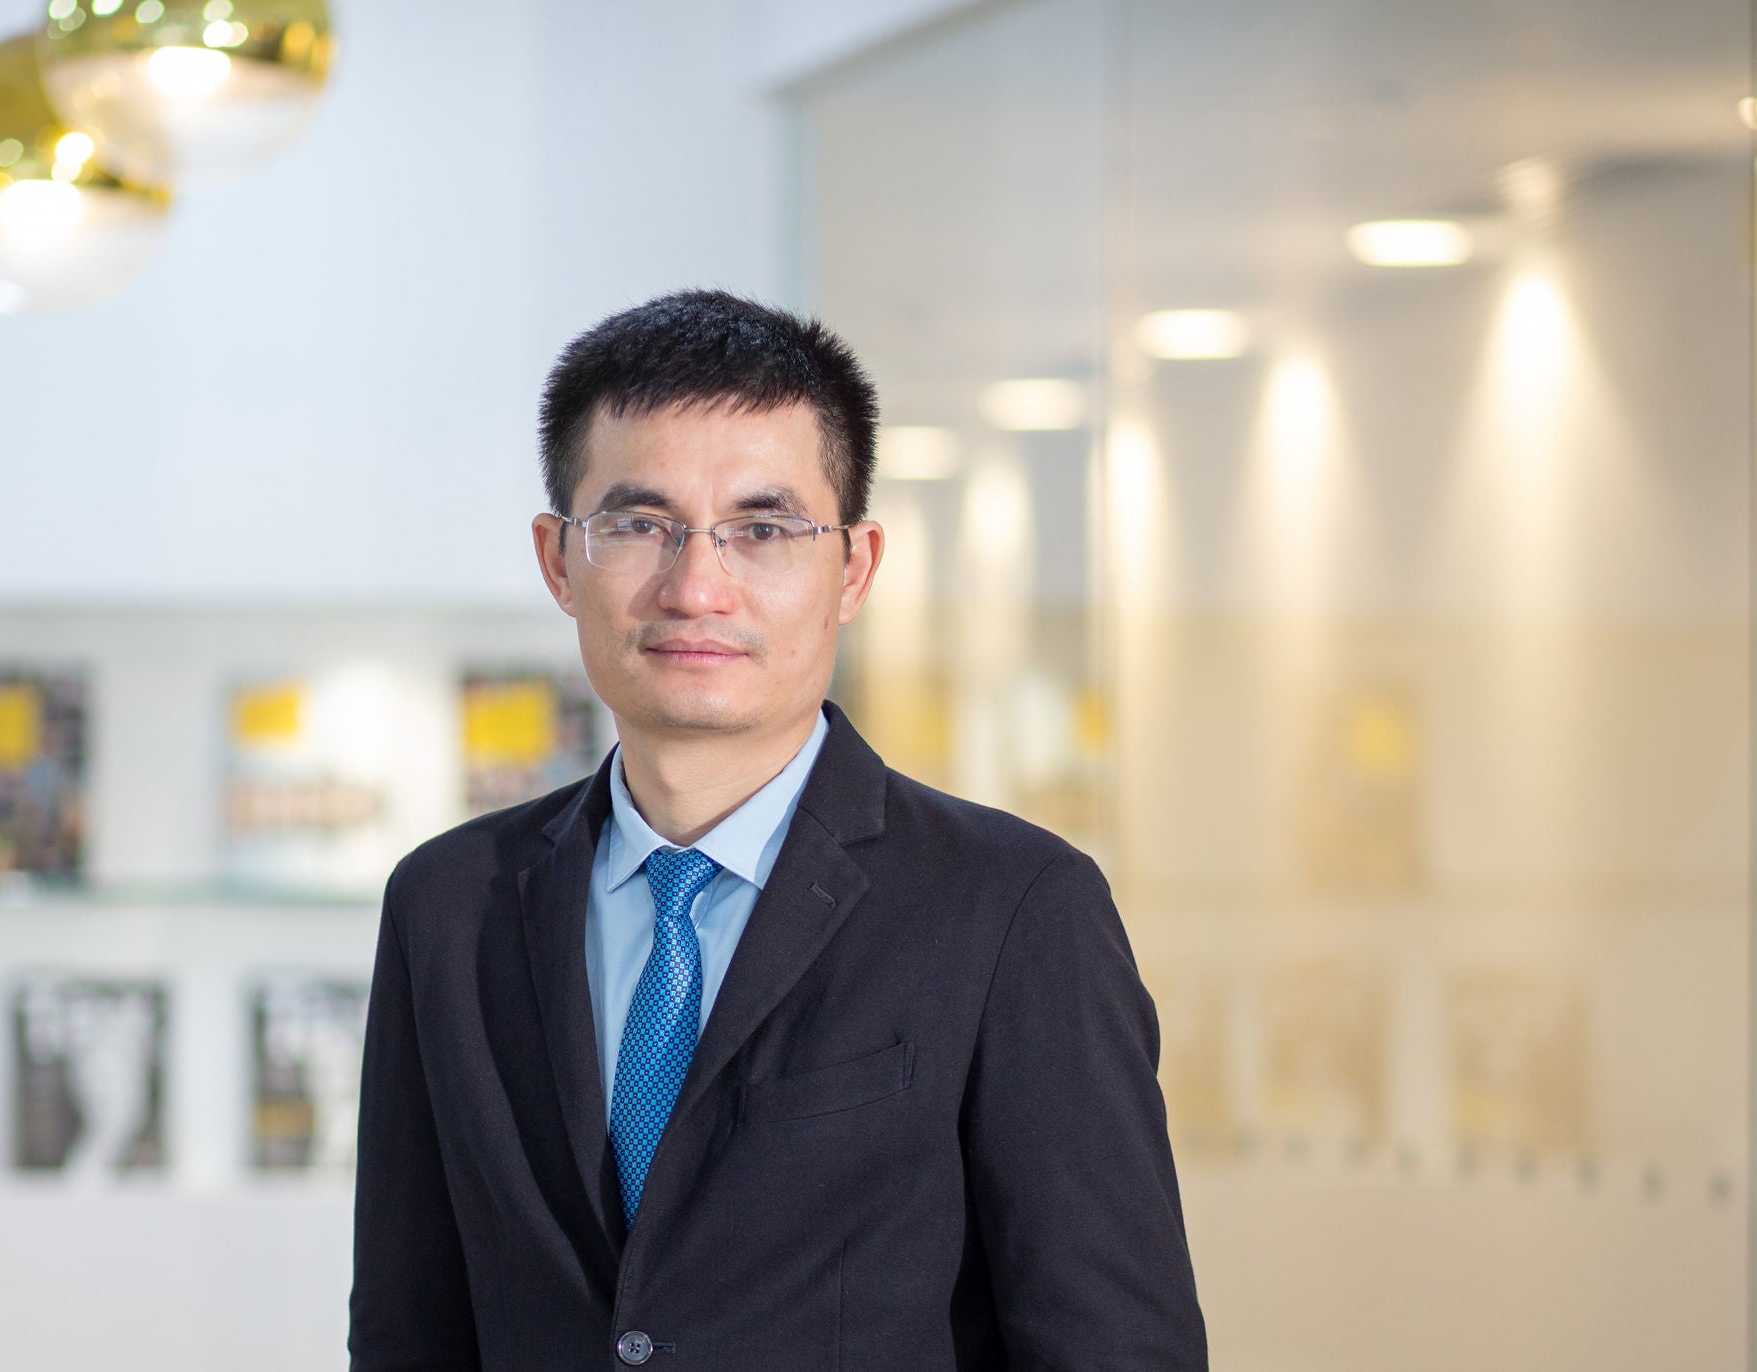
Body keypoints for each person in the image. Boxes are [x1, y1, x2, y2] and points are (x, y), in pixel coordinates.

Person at [350, 290, 1206, 1370]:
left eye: (761, 530)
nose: (696, 587)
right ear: (558, 560)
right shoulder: (447, 906)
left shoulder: (1012, 910)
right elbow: (407, 1333)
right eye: (639, 525)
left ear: (853, 568)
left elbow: (1116, 1349)